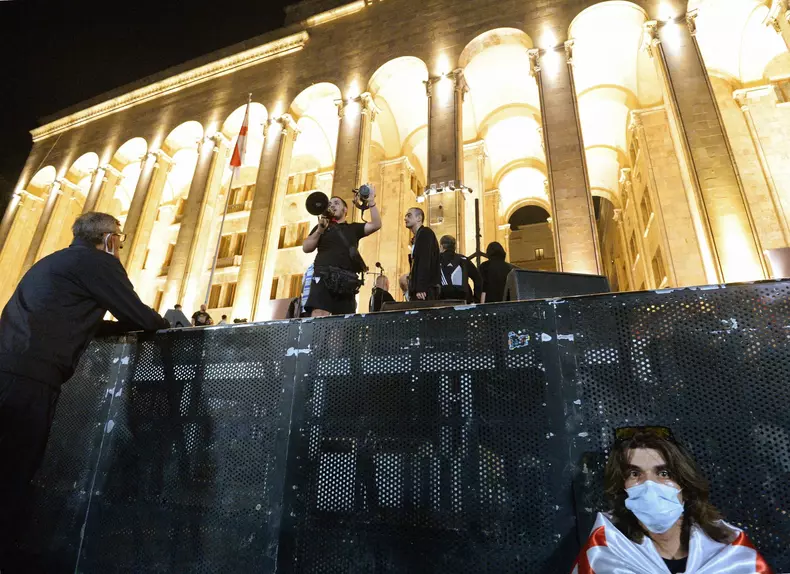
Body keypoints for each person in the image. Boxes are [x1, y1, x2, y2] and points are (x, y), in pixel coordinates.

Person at [0, 212, 168, 571]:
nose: (119, 247)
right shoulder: (100, 263)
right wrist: (163, 323)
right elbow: (141, 317)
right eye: (120, 240)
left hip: (8, 367)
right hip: (30, 380)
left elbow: (65, 316)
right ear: (109, 240)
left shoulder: (54, 262)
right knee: (13, 472)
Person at [573, 427, 772, 574]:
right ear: (621, 488)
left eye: (664, 473)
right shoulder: (604, 555)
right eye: (635, 474)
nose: (649, 485)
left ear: (685, 484)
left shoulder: (732, 553)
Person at [302, 188, 381, 316]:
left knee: (343, 320)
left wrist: (371, 201)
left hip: (346, 280)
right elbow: (306, 248)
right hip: (323, 276)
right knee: (319, 314)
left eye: (336, 203)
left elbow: (376, 224)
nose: (332, 205)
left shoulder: (353, 228)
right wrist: (320, 231)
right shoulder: (322, 226)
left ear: (345, 210)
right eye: (330, 204)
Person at [403, 207, 440, 301]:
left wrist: (421, 287)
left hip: (425, 291)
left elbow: (424, 260)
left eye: (409, 216)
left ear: (419, 218)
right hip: (418, 290)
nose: (405, 218)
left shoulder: (425, 233)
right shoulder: (417, 237)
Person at [438, 235, 481, 303]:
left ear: (441, 246)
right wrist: (476, 298)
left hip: (442, 299)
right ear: (454, 247)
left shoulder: (436, 260)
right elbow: (478, 278)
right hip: (463, 299)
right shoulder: (464, 259)